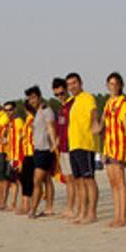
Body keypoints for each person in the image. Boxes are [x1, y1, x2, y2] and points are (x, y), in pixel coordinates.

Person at [66, 72, 102, 224]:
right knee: (79, 181)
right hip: (73, 144)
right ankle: (82, 211)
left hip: (85, 143)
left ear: (80, 83)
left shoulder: (87, 97)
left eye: (74, 83)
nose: (72, 87)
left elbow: (93, 112)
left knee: (89, 179)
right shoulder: (72, 102)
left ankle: (92, 213)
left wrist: (95, 123)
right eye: (69, 84)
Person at [102, 72, 126, 228]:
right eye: (110, 84)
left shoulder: (123, 103)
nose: (113, 87)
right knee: (113, 183)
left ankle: (123, 216)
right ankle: (117, 215)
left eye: (115, 84)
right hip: (108, 146)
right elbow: (102, 125)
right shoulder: (108, 103)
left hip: (119, 145)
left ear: (120, 85)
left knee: (120, 182)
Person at [25, 85, 58, 219]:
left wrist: (54, 145)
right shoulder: (38, 111)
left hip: (45, 150)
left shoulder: (46, 110)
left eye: (33, 97)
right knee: (47, 180)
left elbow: (51, 127)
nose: (31, 101)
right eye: (29, 99)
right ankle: (49, 208)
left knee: (37, 181)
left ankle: (33, 209)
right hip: (38, 150)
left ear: (39, 96)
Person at [52, 77, 77, 220]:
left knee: (74, 180)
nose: (59, 97)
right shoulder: (61, 108)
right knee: (68, 179)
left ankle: (76, 208)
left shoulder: (73, 104)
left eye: (61, 93)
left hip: (72, 146)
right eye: (56, 95)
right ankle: (70, 207)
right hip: (62, 148)